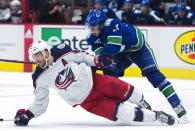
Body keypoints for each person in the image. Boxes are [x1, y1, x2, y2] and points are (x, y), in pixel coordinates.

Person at [14, 40, 176, 126]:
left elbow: (82, 57)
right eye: (35, 57)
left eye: (39, 55)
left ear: (47, 51)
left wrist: (98, 60)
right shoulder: (39, 77)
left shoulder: (62, 51)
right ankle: (157, 116)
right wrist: (28, 114)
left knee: (132, 92)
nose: (38, 59)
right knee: (124, 114)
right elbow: (40, 102)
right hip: (88, 102)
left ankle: (143, 103)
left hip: (96, 81)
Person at [85, 9, 187, 120]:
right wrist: (96, 65)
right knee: (109, 76)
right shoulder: (91, 37)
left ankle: (177, 105)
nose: (91, 31)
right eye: (89, 27)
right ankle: (140, 101)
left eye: (93, 27)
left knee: (155, 77)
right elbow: (102, 59)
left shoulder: (113, 24)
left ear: (102, 25)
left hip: (139, 50)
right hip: (122, 53)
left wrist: (92, 65)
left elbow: (111, 50)